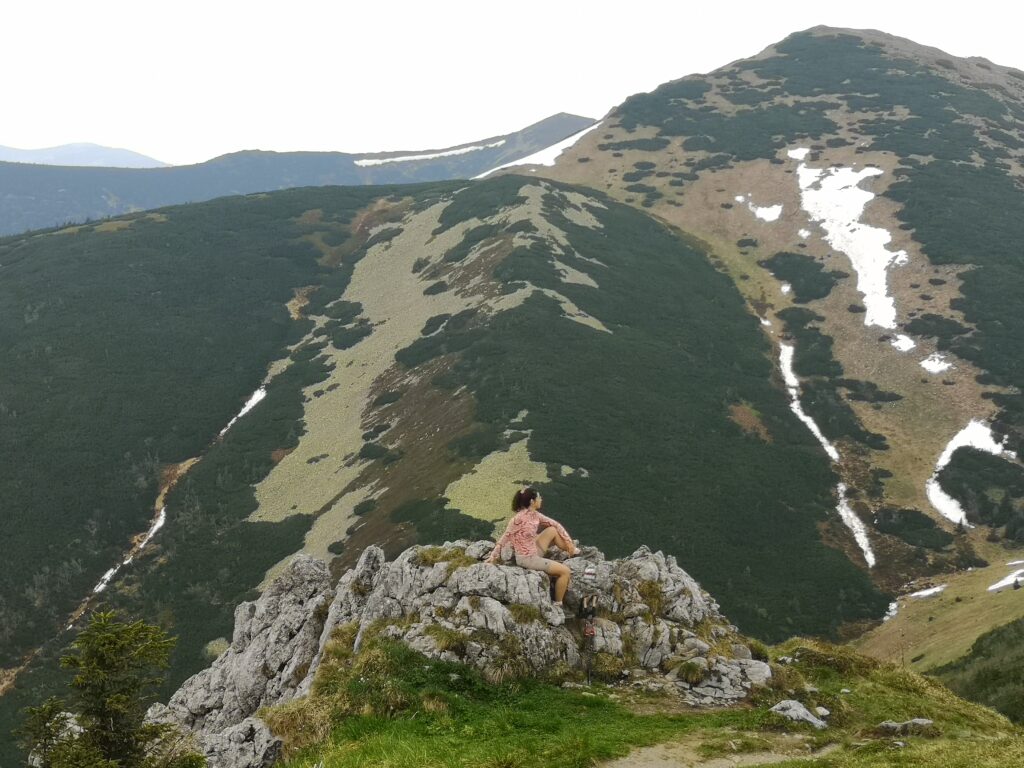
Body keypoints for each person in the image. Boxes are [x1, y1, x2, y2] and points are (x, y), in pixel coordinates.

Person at [486, 487, 581, 605]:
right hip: (527, 559)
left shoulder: (535, 515)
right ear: (532, 501)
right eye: (539, 497)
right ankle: (558, 603)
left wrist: (569, 543)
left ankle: (571, 551)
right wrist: (493, 556)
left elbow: (556, 524)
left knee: (552, 530)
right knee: (565, 571)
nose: (541, 499)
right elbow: (505, 537)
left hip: (534, 550)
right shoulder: (517, 520)